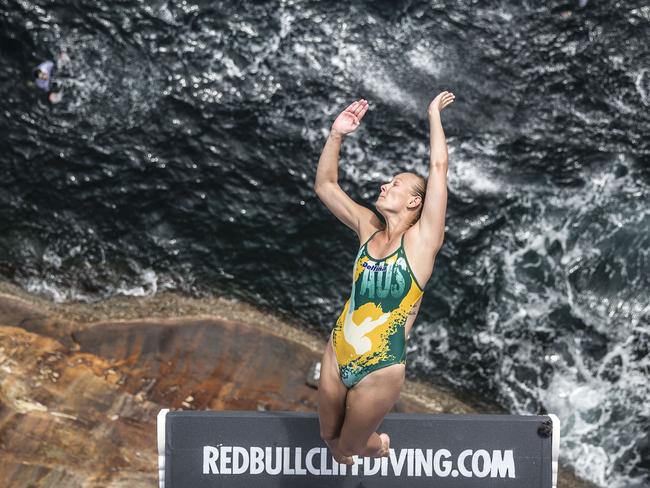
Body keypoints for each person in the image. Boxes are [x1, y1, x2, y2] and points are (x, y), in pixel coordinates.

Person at [314, 91, 455, 465]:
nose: (384, 186)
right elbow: (325, 187)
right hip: (338, 347)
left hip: (381, 367)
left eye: (395, 184)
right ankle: (359, 444)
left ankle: (381, 446)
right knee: (327, 435)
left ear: (414, 202)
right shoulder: (368, 228)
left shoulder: (423, 242)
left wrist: (433, 116)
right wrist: (336, 134)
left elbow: (438, 169)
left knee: (347, 449)